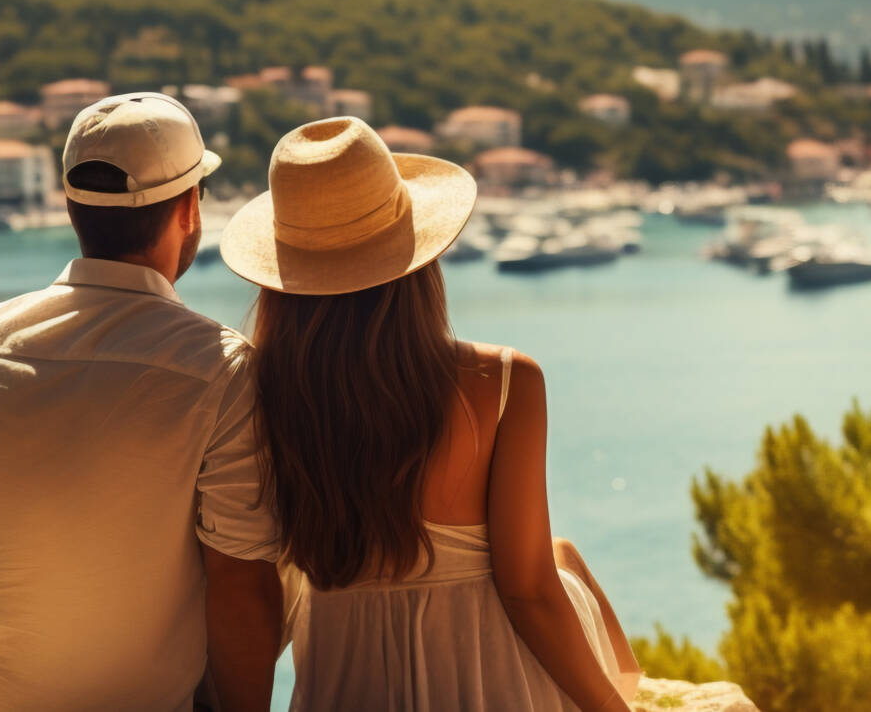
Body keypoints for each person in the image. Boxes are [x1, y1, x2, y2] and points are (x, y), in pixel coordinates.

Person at [218, 116, 643, 712]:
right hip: (486, 678)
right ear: (417, 257)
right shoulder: (504, 384)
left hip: (344, 678)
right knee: (560, 561)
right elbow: (528, 593)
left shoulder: (256, 389)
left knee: (562, 553)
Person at [0, 92, 284, 712]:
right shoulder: (222, 367)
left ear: (73, 209)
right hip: (149, 697)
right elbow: (241, 590)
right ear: (188, 208)